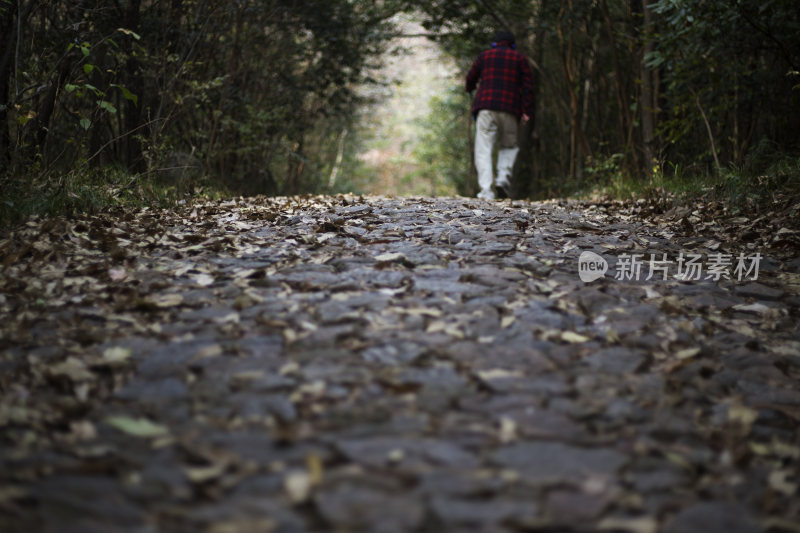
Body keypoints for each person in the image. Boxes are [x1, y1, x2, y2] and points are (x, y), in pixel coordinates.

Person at [465, 30, 534, 200]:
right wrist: (526, 110)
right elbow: (527, 87)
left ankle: (486, 191)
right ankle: (503, 179)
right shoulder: (520, 59)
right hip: (510, 109)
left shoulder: (485, 56)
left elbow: (470, 78)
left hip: (486, 107)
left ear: (495, 43)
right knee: (509, 146)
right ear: (512, 44)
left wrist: (470, 88)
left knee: (483, 149)